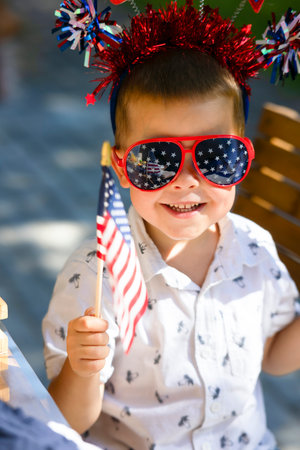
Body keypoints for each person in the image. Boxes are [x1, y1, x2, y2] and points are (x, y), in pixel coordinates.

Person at [42, 2, 300, 449]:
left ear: (245, 158)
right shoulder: (97, 272)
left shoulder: (255, 249)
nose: (185, 181)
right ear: (122, 168)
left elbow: (276, 359)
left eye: (215, 154)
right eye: (156, 158)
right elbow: (68, 421)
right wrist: (80, 370)